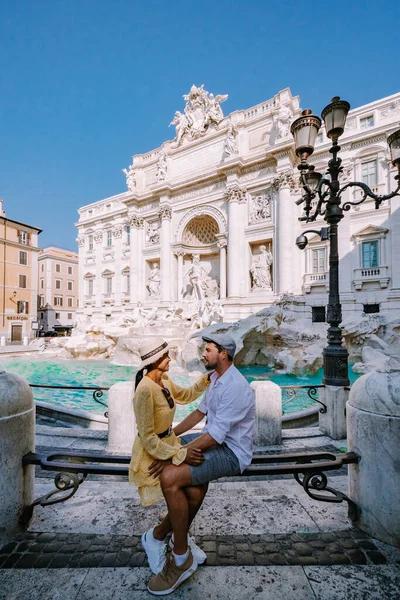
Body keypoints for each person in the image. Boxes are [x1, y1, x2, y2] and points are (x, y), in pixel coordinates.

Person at [142, 333, 255, 595]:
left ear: (223, 354)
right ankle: (166, 536)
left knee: (170, 477)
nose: (203, 354)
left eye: (208, 350)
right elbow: (198, 413)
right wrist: (170, 437)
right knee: (193, 489)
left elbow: (215, 436)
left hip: (231, 452)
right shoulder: (216, 379)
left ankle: (179, 557)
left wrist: (175, 453)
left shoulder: (236, 386)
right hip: (215, 441)